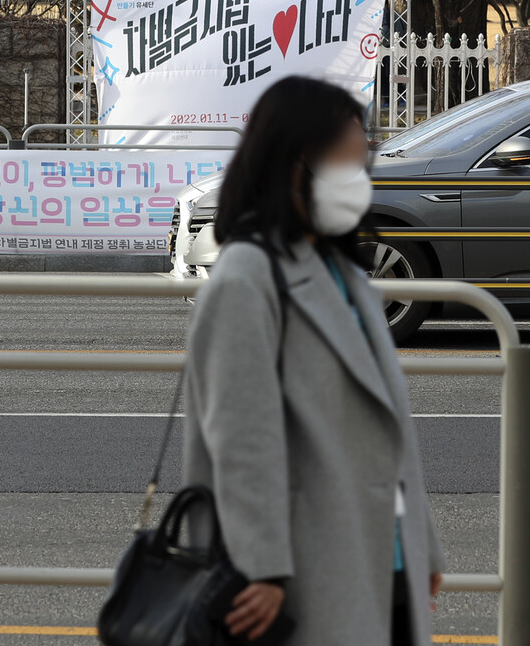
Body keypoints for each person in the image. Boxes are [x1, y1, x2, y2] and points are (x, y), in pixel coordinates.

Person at [182, 75, 445, 646]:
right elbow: (241, 438)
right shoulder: (248, 276)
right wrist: (263, 567)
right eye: (345, 162)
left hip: (380, 552)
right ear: (293, 164)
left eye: (362, 160)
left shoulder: (344, 271)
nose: (359, 179)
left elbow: (389, 428)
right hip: (299, 567)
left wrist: (422, 544)